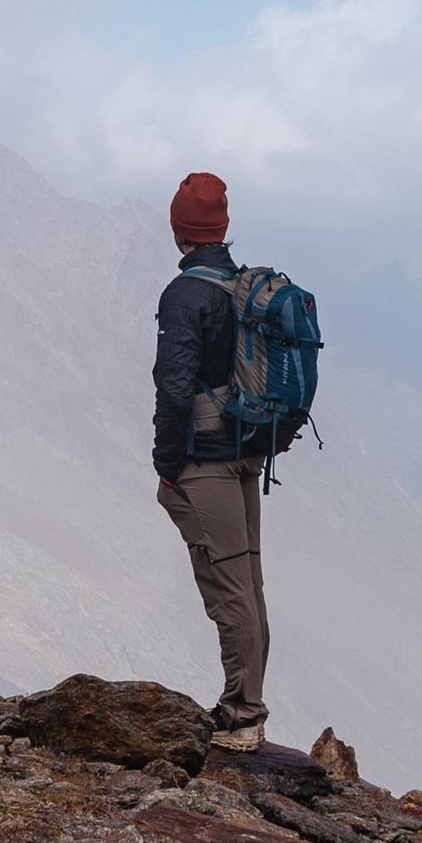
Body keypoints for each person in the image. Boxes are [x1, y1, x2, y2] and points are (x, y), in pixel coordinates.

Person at [152, 170, 273, 751]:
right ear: (220, 227)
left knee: (228, 587)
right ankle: (245, 707)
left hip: (207, 459)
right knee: (248, 581)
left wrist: (167, 462)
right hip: (248, 451)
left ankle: (242, 717)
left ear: (180, 229)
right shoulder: (245, 285)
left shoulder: (186, 296)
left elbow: (174, 389)